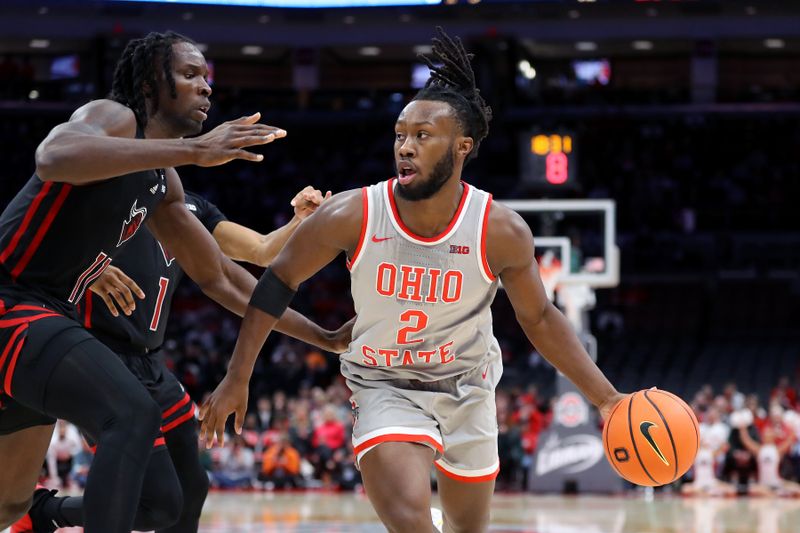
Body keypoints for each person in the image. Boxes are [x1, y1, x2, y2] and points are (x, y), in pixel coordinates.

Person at [199, 27, 625, 532]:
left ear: (462, 146)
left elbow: (538, 317)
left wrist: (609, 400)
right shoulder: (351, 214)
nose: (405, 147)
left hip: (469, 384)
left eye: (423, 136)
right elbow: (278, 279)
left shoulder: (500, 230)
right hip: (384, 382)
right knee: (412, 524)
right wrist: (238, 374)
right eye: (401, 135)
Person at [0, 30, 344, 533]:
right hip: (14, 304)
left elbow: (222, 277)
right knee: (132, 414)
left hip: (46, 319)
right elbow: (52, 157)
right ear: (148, 84)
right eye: (189, 75)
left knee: (10, 505)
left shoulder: (163, 180)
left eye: (206, 78)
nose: (205, 88)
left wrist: (325, 336)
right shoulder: (114, 118)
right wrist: (194, 150)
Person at [17, 185, 331, 533]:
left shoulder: (190, 210)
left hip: (151, 362)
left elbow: (261, 250)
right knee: (159, 504)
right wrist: (85, 266)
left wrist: (298, 222)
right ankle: (45, 511)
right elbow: (42, 242)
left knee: (193, 486)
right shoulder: (108, 191)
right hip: (100, 357)